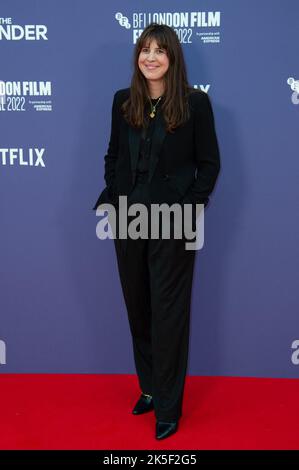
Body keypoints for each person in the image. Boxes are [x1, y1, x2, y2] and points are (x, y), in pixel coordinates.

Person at [93, 23, 220, 440]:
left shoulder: (196, 104)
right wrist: (115, 191)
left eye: (159, 50)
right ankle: (149, 387)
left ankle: (168, 406)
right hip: (128, 218)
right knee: (139, 308)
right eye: (144, 49)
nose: (150, 57)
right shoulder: (122, 101)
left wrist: (188, 209)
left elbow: (209, 165)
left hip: (172, 222)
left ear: (172, 58)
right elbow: (113, 153)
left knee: (169, 315)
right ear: (137, 57)